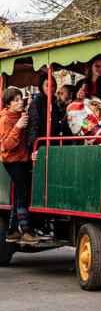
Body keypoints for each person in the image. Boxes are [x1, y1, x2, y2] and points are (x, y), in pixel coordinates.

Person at [1, 87, 37, 243]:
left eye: (20, 99)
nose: (20, 102)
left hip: (23, 159)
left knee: (20, 194)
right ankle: (25, 231)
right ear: (8, 104)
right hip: (12, 161)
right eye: (16, 100)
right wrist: (17, 127)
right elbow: (6, 145)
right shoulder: (5, 119)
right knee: (23, 194)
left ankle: (12, 230)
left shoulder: (21, 115)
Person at [27, 74, 62, 158]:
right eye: (47, 85)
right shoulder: (36, 103)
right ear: (41, 86)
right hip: (42, 146)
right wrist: (36, 148)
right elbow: (33, 127)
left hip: (54, 147)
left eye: (53, 85)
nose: (51, 88)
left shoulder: (54, 104)